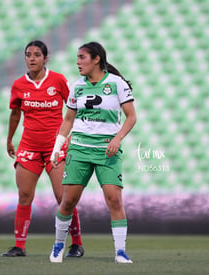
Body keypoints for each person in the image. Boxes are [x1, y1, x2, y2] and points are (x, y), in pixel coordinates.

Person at [48, 42, 137, 263]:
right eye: (77, 58)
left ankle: (120, 251)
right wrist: (57, 148)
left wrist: (117, 139)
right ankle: (58, 245)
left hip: (107, 150)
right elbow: (68, 119)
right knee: (68, 201)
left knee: (114, 200)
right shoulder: (77, 86)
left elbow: (131, 116)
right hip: (79, 149)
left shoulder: (116, 84)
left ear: (96, 59)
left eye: (82, 57)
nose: (78, 62)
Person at [1, 40, 84, 257]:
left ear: (45, 58)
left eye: (37, 55)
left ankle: (76, 244)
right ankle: (19, 246)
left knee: (63, 197)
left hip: (54, 148)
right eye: (28, 54)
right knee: (25, 195)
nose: (32, 58)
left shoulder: (57, 81)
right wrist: (10, 139)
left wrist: (73, 135)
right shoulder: (19, 85)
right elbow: (15, 114)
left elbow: (74, 107)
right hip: (28, 146)